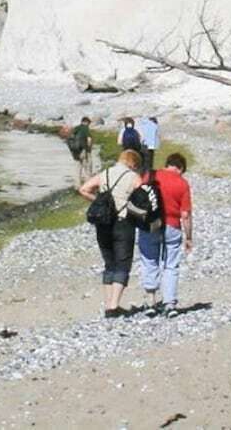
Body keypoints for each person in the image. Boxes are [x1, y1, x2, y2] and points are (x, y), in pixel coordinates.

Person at [78, 147, 144, 318]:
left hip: (103, 222)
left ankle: (108, 304)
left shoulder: (105, 173)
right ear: (133, 163)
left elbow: (83, 189)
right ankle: (114, 306)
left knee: (109, 263)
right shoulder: (133, 177)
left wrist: (99, 200)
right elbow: (143, 200)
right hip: (123, 222)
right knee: (123, 262)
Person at [136, 151, 194, 313]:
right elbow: (186, 215)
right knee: (171, 265)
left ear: (167, 164)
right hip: (172, 225)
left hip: (150, 224)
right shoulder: (182, 183)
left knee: (149, 260)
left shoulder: (150, 176)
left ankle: (151, 301)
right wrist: (189, 237)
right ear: (180, 168)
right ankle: (169, 303)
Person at [64, 115, 96, 188]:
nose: (89, 125)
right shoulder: (85, 128)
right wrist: (89, 149)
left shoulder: (76, 128)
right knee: (87, 168)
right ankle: (88, 185)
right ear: (86, 122)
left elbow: (69, 139)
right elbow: (89, 139)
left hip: (75, 151)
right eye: (89, 123)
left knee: (78, 168)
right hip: (83, 150)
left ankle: (77, 186)